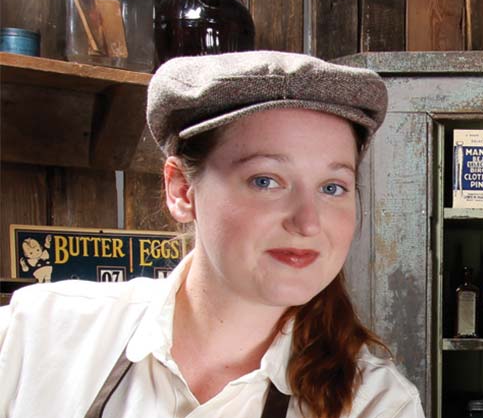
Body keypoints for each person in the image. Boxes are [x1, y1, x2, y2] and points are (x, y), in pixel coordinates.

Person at [0, 51, 424, 418]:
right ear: (182, 190)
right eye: (266, 180)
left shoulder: (375, 404)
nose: (308, 222)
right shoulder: (36, 334)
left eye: (333, 188)